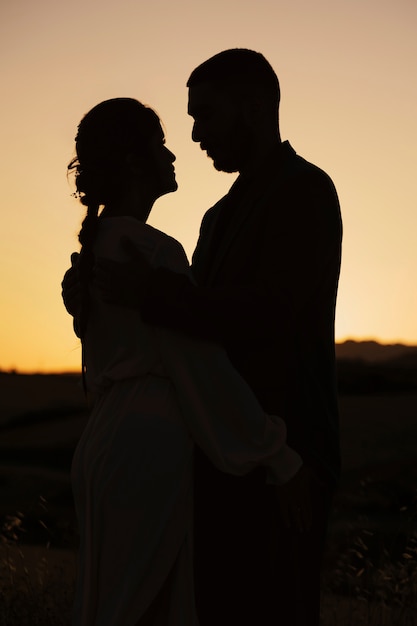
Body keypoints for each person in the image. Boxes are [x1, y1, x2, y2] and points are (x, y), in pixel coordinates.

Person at [89, 50, 343, 626]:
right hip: (225, 454)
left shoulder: (305, 190)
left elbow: (271, 312)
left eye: (205, 115)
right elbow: (191, 337)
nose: (196, 134)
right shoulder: (215, 217)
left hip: (289, 453)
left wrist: (153, 293)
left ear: (254, 108)